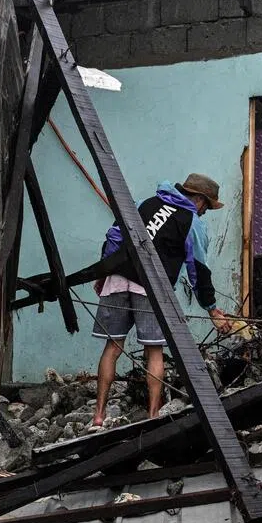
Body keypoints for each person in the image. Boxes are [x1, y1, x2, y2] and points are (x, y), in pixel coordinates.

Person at [91, 173, 230, 426]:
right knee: (154, 351)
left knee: (112, 348)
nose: (205, 213)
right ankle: (153, 417)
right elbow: (198, 270)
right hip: (150, 287)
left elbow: (114, 236)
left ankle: (98, 416)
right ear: (199, 199)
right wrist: (211, 309)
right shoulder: (191, 221)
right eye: (207, 207)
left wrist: (103, 273)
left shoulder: (148, 204)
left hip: (117, 278)